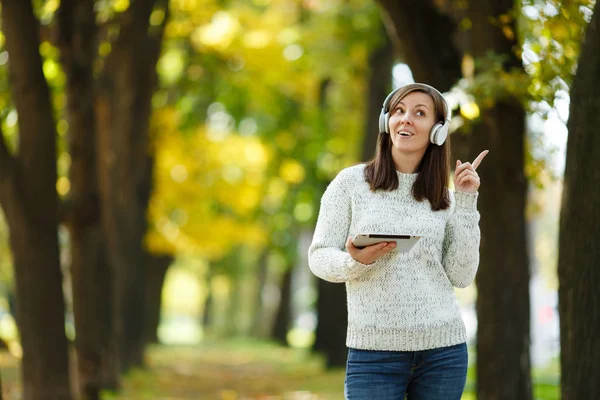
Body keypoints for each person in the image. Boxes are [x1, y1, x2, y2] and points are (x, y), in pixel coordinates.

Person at [308, 82, 488, 400]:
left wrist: (467, 201)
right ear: (386, 121)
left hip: (443, 353)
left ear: (438, 130)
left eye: (420, 113)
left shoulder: (447, 200)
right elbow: (319, 256)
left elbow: (461, 276)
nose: (405, 119)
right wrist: (354, 262)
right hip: (373, 353)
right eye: (399, 111)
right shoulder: (350, 184)